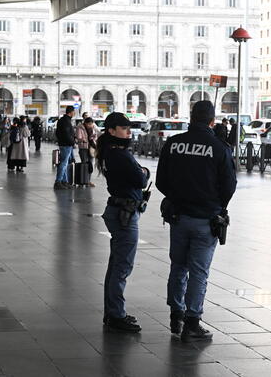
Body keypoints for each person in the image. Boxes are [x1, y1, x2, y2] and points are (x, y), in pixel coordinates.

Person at [156, 101, 237, 343]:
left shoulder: (173, 143)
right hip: (206, 219)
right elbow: (229, 186)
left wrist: (177, 197)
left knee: (178, 266)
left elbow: (161, 180)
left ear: (191, 118)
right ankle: (192, 322)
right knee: (199, 272)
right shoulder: (219, 147)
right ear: (212, 121)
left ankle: (175, 315)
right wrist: (215, 204)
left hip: (178, 216)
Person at [96, 113, 150, 333]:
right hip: (125, 213)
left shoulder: (109, 152)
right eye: (124, 128)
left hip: (118, 210)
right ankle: (117, 314)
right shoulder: (120, 155)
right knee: (122, 266)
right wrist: (144, 172)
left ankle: (112, 312)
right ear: (111, 130)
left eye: (130, 128)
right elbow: (141, 179)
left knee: (116, 264)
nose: (129, 131)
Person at [54, 105, 76, 189]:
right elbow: (67, 134)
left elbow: (58, 133)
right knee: (63, 163)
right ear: (71, 112)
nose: (74, 113)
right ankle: (58, 181)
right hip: (66, 145)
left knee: (65, 163)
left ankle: (64, 181)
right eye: (74, 111)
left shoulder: (63, 120)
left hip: (64, 144)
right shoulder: (66, 121)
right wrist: (73, 142)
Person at [75, 117, 96, 187]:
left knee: (90, 165)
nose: (90, 125)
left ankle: (88, 181)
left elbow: (94, 137)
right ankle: (82, 181)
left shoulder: (92, 128)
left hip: (91, 148)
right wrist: (85, 139)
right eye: (89, 124)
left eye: (91, 124)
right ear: (86, 123)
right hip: (83, 148)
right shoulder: (80, 128)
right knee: (84, 164)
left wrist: (93, 137)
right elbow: (78, 137)